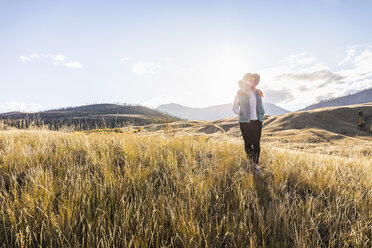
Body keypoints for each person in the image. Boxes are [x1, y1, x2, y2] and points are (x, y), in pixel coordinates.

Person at [232, 73, 265, 172]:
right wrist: (242, 114)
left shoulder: (257, 93)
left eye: (253, 80)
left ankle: (255, 164)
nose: (251, 82)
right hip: (245, 122)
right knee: (248, 143)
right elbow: (234, 108)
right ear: (245, 81)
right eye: (249, 80)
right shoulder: (240, 93)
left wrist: (262, 112)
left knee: (256, 143)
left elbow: (261, 105)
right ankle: (250, 161)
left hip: (257, 122)